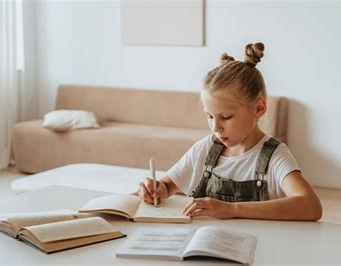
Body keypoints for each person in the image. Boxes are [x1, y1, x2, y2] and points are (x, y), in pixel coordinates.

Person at [138, 42, 322, 221]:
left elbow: (311, 206)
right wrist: (158, 188)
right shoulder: (205, 149)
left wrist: (231, 209)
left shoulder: (275, 157)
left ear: (258, 109)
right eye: (210, 116)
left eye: (226, 117)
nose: (215, 127)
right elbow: (168, 185)